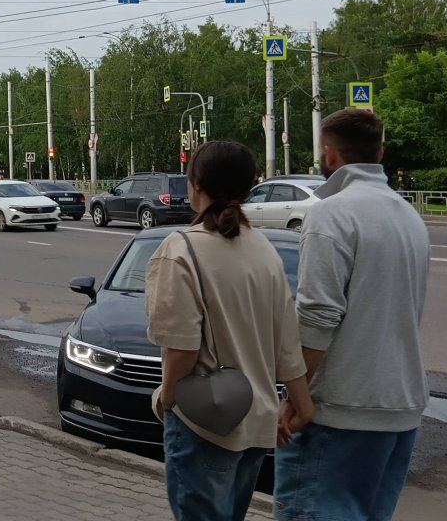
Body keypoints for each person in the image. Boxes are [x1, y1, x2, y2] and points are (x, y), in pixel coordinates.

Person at [146, 140, 313, 521]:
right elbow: (287, 341)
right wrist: (302, 402)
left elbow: (182, 348)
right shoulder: (263, 248)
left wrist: (167, 399)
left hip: (205, 423)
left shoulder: (180, 248)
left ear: (195, 185)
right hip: (257, 422)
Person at [274, 109, 430, 521]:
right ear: (380, 152)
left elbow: (317, 317)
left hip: (340, 412)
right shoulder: (409, 216)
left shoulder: (332, 214)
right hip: (400, 410)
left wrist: (297, 398)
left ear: (329, 155)